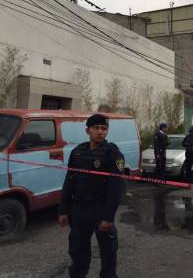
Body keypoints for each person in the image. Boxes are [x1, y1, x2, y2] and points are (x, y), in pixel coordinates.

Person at [58, 114, 126, 278]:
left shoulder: (112, 153)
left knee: (108, 252)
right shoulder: (78, 152)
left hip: (100, 208)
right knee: (77, 250)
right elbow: (69, 182)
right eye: (96, 128)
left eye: (104, 129)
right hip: (80, 209)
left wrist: (108, 217)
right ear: (87, 130)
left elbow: (116, 187)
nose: (100, 132)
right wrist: (63, 210)